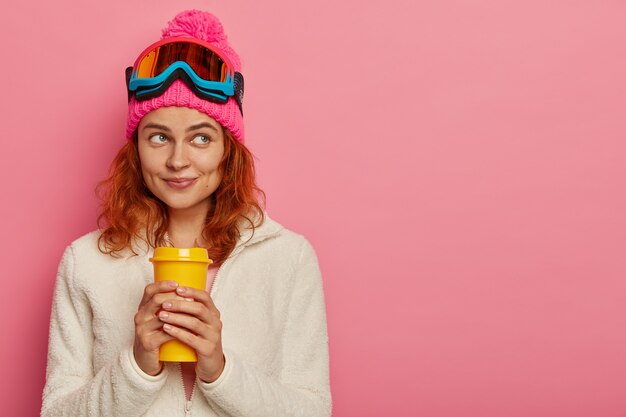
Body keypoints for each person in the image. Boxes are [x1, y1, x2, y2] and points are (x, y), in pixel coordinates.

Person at [41, 10, 331, 417]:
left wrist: (221, 371)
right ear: (135, 150)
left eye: (200, 137)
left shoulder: (288, 258)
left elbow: (312, 411)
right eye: (158, 136)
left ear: (227, 150)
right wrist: (138, 366)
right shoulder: (85, 263)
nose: (178, 160)